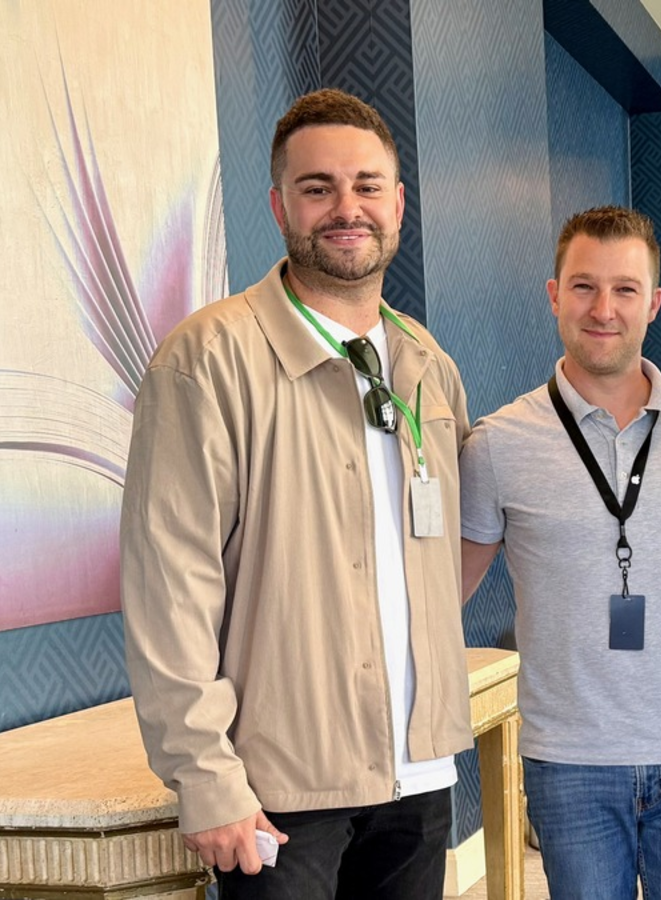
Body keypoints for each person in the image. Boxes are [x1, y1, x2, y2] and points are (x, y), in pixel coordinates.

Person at [120, 88, 473, 900]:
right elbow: (169, 586)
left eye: (367, 186)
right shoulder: (207, 359)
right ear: (281, 206)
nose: (347, 208)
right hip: (279, 786)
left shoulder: (426, 361)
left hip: (418, 774)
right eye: (318, 188)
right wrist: (204, 774)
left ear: (398, 204)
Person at [458, 206, 661, 899]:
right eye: (584, 286)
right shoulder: (497, 444)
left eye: (625, 289)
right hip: (570, 762)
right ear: (554, 295)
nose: (604, 309)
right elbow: (439, 594)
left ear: (654, 303)